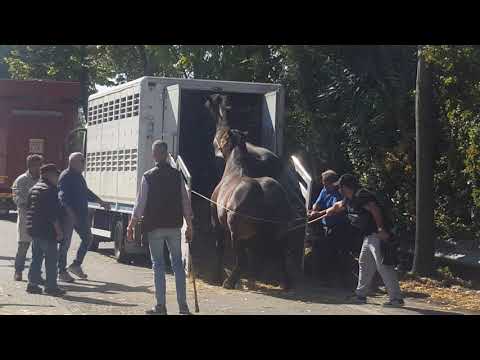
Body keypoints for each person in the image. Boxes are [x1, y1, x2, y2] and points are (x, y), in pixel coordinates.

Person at [311, 174, 404, 307]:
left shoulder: (362, 196)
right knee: (364, 262)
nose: (338, 190)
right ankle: (361, 295)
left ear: (346, 187)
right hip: (369, 236)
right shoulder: (349, 199)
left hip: (378, 234)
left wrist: (380, 228)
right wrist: (321, 213)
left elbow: (374, 209)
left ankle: (396, 299)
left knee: (383, 265)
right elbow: (337, 206)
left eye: (340, 187)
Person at [127, 141, 193, 315]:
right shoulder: (177, 175)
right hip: (174, 226)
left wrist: (131, 225)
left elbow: (140, 205)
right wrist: (190, 225)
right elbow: (185, 202)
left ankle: (161, 306)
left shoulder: (148, 176)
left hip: (154, 227)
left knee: (158, 265)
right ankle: (183, 306)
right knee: (178, 264)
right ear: (167, 154)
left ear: (154, 155)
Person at [57, 153, 110, 282]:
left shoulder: (78, 176)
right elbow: (62, 198)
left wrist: (100, 201)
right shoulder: (66, 176)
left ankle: (76, 265)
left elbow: (85, 192)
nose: (84, 164)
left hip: (80, 215)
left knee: (88, 238)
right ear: (73, 162)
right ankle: (61, 272)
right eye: (82, 162)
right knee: (65, 244)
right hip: (69, 216)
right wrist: (70, 214)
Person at [26, 164, 65, 296]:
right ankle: (51, 286)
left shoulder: (34, 188)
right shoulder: (50, 190)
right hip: (48, 231)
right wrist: (59, 231)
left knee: (36, 258)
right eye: (56, 175)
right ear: (48, 175)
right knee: (51, 260)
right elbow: (52, 214)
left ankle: (32, 284)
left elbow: (28, 209)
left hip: (34, 229)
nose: (57, 178)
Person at [309, 170, 351, 288]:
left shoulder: (340, 193)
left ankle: (344, 280)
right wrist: (313, 210)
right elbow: (317, 203)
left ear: (332, 183)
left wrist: (317, 214)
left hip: (340, 227)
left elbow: (333, 210)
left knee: (341, 253)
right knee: (326, 253)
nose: (323, 186)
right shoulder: (325, 190)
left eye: (325, 183)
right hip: (327, 227)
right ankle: (326, 279)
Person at [12, 154, 44, 281]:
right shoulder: (21, 180)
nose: (39, 168)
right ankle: (18, 271)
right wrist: (29, 203)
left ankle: (36, 273)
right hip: (26, 217)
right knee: (23, 245)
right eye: (37, 165)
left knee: (39, 248)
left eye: (40, 165)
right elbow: (16, 197)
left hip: (40, 218)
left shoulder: (42, 180)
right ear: (30, 166)